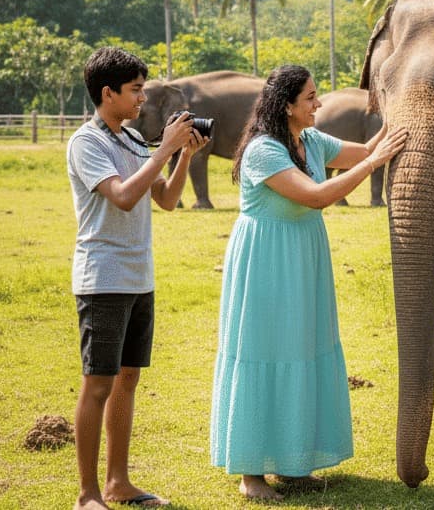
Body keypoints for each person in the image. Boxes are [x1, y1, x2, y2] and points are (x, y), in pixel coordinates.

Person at [210, 65, 407, 501]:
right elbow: (317, 196)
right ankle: (250, 474)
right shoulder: (263, 150)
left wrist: (399, 112)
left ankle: (293, 463)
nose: (319, 103)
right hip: (266, 262)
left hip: (302, 257)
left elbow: (365, 149)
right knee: (264, 351)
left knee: (300, 350)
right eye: (311, 97)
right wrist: (374, 163)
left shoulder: (311, 140)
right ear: (286, 106)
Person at [66, 46, 208, 510]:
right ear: (107, 93)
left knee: (127, 380)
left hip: (138, 277)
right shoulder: (87, 143)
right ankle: (87, 495)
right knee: (98, 384)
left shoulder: (129, 138)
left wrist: (183, 156)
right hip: (103, 279)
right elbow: (124, 196)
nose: (143, 99)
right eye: (135, 90)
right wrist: (164, 149)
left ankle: (118, 483)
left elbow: (165, 199)